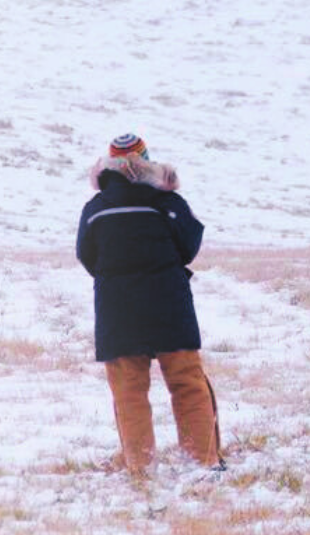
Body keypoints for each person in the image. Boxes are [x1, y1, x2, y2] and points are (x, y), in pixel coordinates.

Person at [76, 133, 223, 475]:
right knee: (187, 383)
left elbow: (87, 256)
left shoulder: (96, 209)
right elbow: (189, 245)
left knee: (129, 391)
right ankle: (200, 461)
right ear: (149, 161)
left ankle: (141, 468)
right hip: (170, 305)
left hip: (118, 310)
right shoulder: (168, 203)